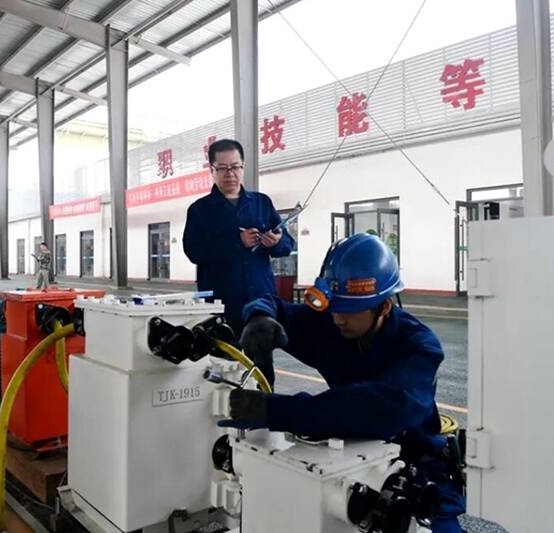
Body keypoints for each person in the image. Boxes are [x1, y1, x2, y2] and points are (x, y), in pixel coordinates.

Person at [223, 233, 465, 532]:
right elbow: (276, 306)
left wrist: (273, 411)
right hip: (346, 455)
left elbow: (381, 408)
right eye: (334, 307)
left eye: (349, 311)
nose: (338, 318)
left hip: (415, 465)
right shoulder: (332, 323)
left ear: (384, 307)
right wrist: (259, 317)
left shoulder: (419, 347)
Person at [183, 138, 295, 336]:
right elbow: (194, 252)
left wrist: (276, 242)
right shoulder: (200, 210)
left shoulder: (262, 203)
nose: (230, 174)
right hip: (220, 304)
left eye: (235, 167)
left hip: (261, 301)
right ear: (212, 170)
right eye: (222, 168)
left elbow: (287, 244)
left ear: (243, 167)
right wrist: (237, 242)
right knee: (223, 354)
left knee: (261, 353)